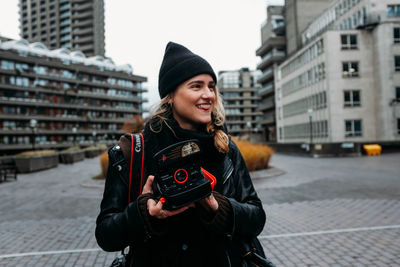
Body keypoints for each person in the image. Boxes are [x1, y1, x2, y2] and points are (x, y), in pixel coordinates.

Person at [96, 42, 266, 267]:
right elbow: (106, 235)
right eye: (196, 86)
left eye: (211, 86)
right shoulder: (133, 151)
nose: (209, 95)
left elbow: (256, 217)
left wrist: (219, 208)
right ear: (171, 96)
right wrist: (142, 213)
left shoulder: (225, 149)